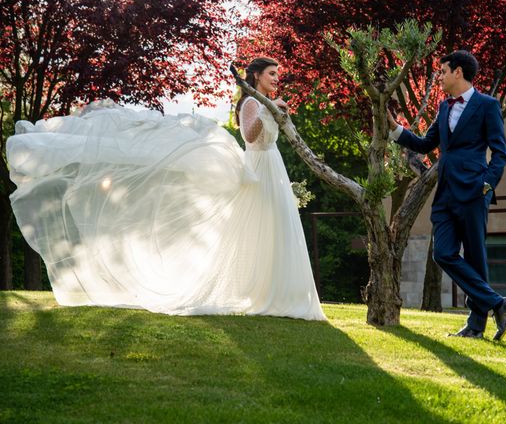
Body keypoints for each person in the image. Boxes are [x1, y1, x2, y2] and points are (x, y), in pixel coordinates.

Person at [7, 56, 326, 321]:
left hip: (274, 167)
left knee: (276, 228)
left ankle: (281, 292)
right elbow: (250, 136)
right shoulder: (250, 105)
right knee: (261, 226)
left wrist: (276, 110)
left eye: (277, 75)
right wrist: (271, 110)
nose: (275, 79)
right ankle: (264, 295)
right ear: (256, 76)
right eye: (271, 74)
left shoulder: (267, 102)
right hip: (259, 167)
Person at [387, 50, 506, 340]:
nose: (440, 77)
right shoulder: (444, 107)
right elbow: (424, 144)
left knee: (474, 256)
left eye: (443, 71)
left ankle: (476, 325)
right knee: (443, 253)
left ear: (458, 72)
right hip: (445, 192)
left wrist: (487, 185)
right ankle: (498, 303)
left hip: (474, 190)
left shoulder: (488, 105)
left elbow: (500, 152)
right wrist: (395, 129)